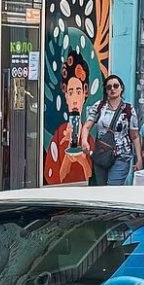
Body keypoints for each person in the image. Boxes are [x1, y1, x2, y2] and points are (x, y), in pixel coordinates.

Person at [81, 74, 141, 185]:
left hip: (122, 155)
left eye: (115, 86)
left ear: (121, 88)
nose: (112, 89)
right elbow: (87, 126)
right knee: (101, 189)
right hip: (102, 154)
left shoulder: (128, 109)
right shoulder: (99, 106)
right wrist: (84, 140)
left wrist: (139, 159)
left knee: (113, 188)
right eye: (109, 87)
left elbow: (135, 136)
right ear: (106, 90)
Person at [43, 50, 94, 185]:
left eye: (78, 91)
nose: (75, 99)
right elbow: (51, 177)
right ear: (66, 97)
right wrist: (67, 159)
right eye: (70, 92)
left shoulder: (88, 137)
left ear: (85, 94)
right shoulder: (59, 135)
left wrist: (82, 160)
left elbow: (93, 177)